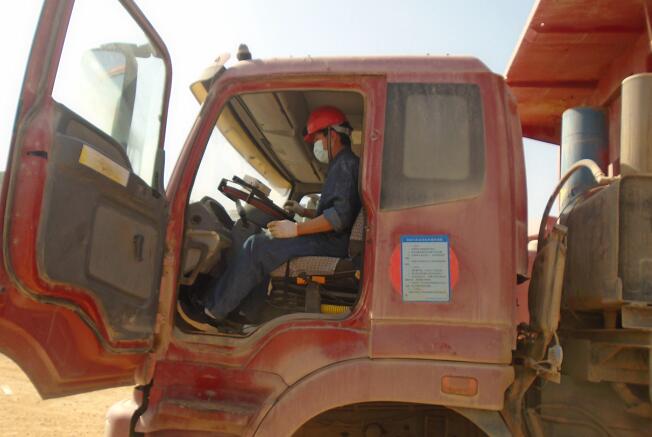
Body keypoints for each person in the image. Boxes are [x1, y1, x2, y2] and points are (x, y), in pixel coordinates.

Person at [179, 106, 361, 332]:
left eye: (317, 138)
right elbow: (336, 211)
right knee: (265, 246)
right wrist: (304, 213)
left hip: (333, 243)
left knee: (257, 246)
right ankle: (246, 313)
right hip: (333, 240)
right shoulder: (343, 165)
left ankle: (211, 313)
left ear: (332, 134)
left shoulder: (345, 164)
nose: (316, 145)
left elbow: (339, 218)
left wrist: (295, 230)